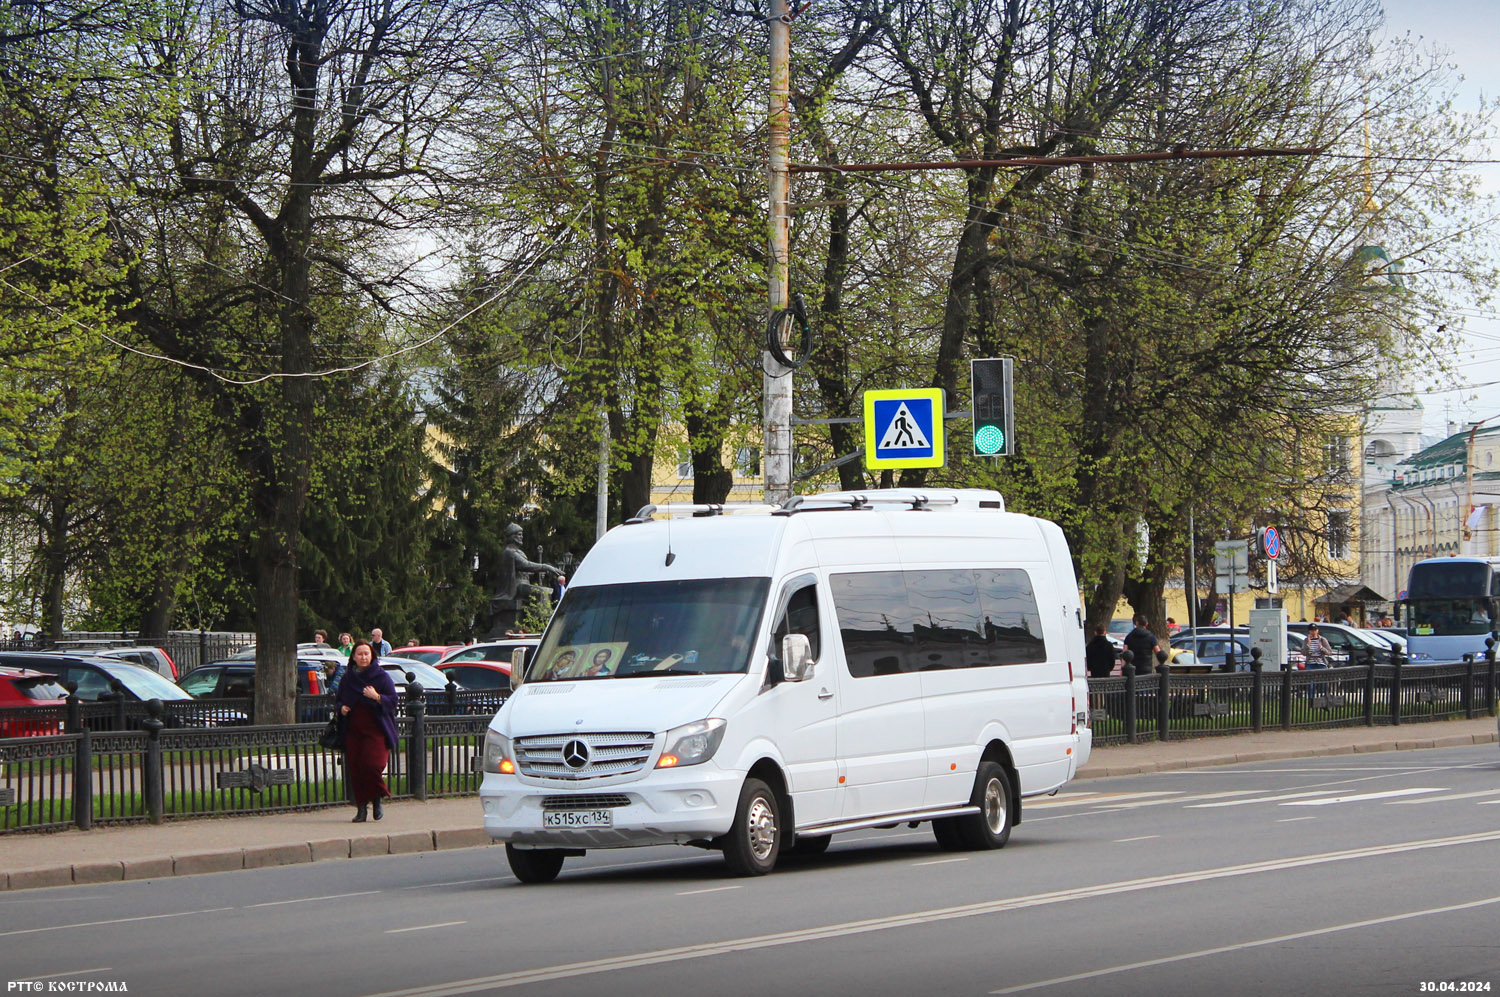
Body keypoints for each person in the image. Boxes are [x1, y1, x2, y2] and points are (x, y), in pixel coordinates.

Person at [335, 640, 398, 822]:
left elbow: (393, 701)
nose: (363, 657)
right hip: (354, 730)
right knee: (357, 770)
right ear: (353, 657)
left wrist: (377, 697)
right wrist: (342, 708)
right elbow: (338, 701)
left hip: (376, 729)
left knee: (373, 766)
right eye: (359, 654)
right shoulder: (348, 678)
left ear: (372, 656)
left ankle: (378, 797)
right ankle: (361, 809)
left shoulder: (381, 677)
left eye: (366, 654)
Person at [1303, 624, 1333, 702]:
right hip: (1310, 663)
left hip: (1321, 663)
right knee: (1310, 683)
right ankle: (1311, 700)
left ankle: (1323, 699)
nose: (1313, 632)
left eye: (1315, 630)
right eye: (1312, 630)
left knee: (1323, 683)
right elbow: (1303, 652)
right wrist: (1308, 645)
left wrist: (1321, 648)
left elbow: (1329, 652)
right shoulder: (1306, 640)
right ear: (1309, 631)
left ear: (1317, 630)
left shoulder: (1322, 640)